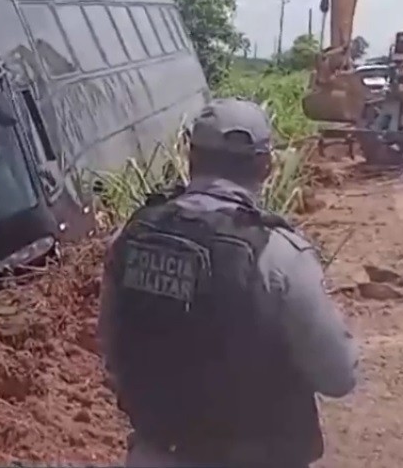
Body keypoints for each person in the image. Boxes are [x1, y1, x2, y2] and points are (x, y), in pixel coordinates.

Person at [98, 98, 359, 468]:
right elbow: (338, 376)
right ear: (265, 166)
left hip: (155, 453)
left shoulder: (131, 238)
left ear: (191, 158)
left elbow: (113, 350)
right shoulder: (279, 255)